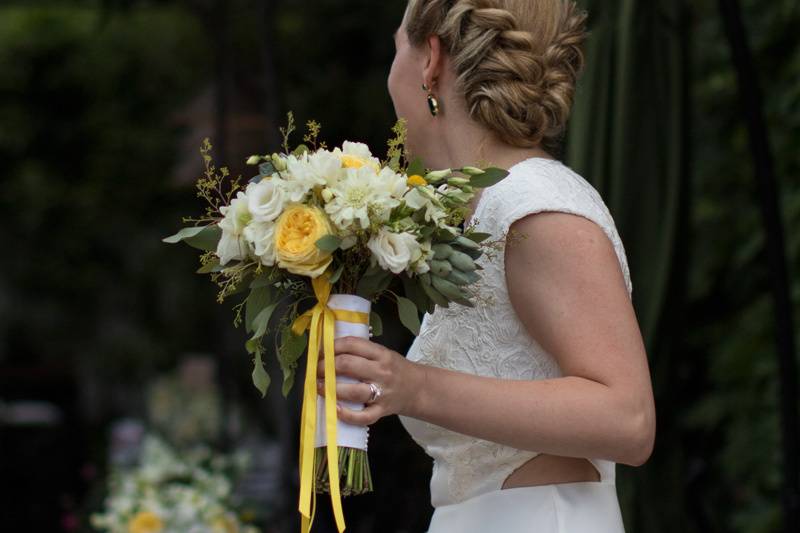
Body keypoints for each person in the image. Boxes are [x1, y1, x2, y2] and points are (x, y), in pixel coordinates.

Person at [315, 0, 656, 531]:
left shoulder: (536, 205)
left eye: (396, 48)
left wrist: (413, 386)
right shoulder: (480, 210)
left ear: (431, 61)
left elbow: (627, 418)